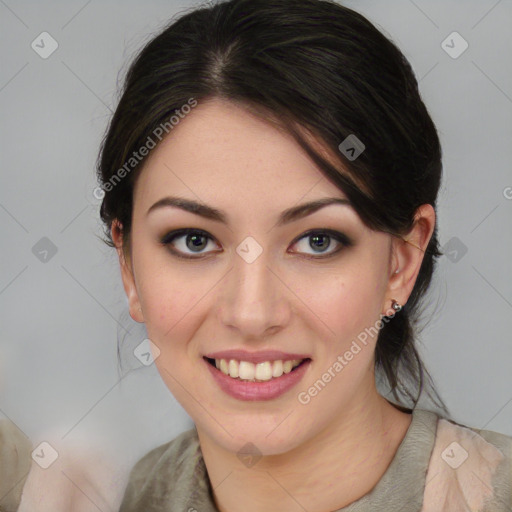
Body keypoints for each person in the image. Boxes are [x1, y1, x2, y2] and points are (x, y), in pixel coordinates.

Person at [93, 0, 512, 510]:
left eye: (318, 241)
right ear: (129, 266)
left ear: (400, 262)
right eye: (194, 240)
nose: (251, 314)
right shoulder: (137, 494)